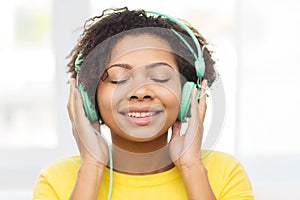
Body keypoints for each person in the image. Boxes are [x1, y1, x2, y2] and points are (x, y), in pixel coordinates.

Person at [32, 7, 254, 200]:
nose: (140, 92)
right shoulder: (57, 179)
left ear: (189, 94)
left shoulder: (224, 173)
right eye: (118, 78)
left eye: (159, 77)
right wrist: (91, 167)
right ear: (89, 96)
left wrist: (191, 167)